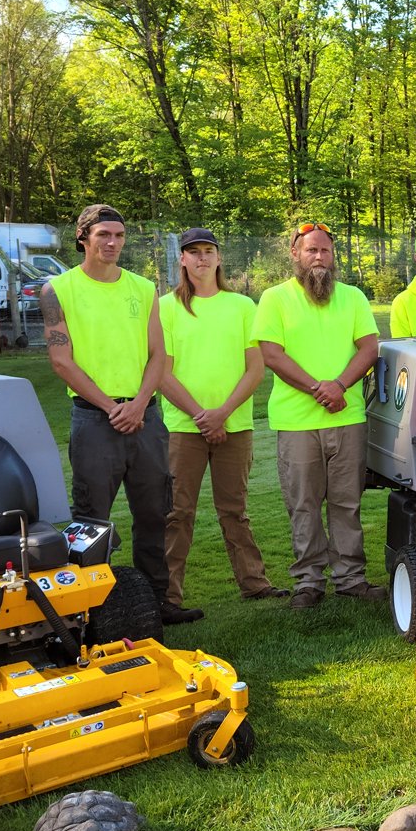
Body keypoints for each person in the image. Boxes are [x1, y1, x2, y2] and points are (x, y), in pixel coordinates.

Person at [42, 204, 199, 625]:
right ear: (83, 239)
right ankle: (86, 610)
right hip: (95, 420)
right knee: (90, 519)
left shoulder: (143, 288)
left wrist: (138, 404)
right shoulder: (57, 289)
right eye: (103, 236)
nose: (112, 243)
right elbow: (62, 361)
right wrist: (113, 408)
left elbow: (158, 355)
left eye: (119, 236)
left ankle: (156, 604)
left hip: (145, 416)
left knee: (154, 512)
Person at [254, 223, 384, 609]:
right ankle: (308, 582)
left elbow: (369, 347)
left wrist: (340, 385)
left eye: (325, 251)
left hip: (347, 418)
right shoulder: (274, 298)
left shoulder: (353, 297)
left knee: (347, 502)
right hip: (297, 422)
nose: (319, 258)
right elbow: (271, 354)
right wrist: (319, 388)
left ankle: (350, 578)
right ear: (295, 254)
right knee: (304, 504)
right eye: (311, 251)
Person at [157, 228, 286, 604]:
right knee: (178, 514)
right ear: (181, 259)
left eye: (208, 251)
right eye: (193, 252)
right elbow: (162, 372)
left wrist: (222, 414)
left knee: (235, 510)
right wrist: (201, 415)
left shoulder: (244, 306)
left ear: (218, 258)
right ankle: (169, 595)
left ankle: (254, 583)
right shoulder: (166, 307)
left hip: (235, 425)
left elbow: (255, 370)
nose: (201, 258)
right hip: (183, 427)